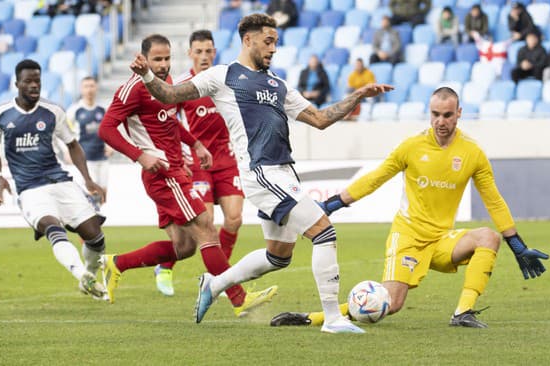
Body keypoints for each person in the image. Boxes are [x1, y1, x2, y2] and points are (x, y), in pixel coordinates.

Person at [129, 13, 393, 333]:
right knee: (324, 232)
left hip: (285, 173)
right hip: (261, 173)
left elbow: (320, 119)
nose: (273, 49)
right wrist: (146, 76)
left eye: (276, 43)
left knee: (278, 257)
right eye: (268, 42)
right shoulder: (223, 75)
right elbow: (170, 95)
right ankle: (333, 319)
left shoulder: (278, 84)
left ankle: (213, 285)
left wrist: (356, 96)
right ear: (248, 40)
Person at [270, 87, 549, 329]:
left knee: (488, 237)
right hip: (409, 238)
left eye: (447, 115)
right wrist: (332, 204)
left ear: (459, 113)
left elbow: (494, 199)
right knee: (390, 304)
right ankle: (312, 317)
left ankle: (462, 312)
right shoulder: (412, 146)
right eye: (435, 114)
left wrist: (517, 244)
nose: (440, 121)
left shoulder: (472, 153)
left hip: (442, 239)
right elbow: (376, 177)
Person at [98, 34, 277, 317]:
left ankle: (117, 263)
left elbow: (169, 123)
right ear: (143, 57)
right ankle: (239, 299)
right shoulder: (132, 88)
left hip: (176, 170)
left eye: (167, 59)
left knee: (184, 247)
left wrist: (194, 143)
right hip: (162, 173)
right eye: (157, 59)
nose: (163, 65)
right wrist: (140, 156)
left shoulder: (166, 84)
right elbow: (106, 129)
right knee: (206, 228)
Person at [0, 59, 108, 300]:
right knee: (53, 228)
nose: (34, 86)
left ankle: (90, 276)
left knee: (95, 236)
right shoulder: (0, 114)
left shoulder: (53, 112)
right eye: (28, 81)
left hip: (60, 181)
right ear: (17, 83)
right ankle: (83, 274)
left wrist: (88, 179)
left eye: (37, 81)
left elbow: (72, 144)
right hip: (30, 190)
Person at [152, 30, 246, 297]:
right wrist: (178, 154)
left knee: (235, 219)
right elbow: (168, 120)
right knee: (206, 227)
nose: (204, 56)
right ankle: (166, 265)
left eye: (208, 51)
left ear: (214, 52)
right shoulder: (182, 86)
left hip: (227, 160)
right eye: (199, 52)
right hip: (197, 164)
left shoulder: (225, 81)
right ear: (190, 54)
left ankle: (217, 275)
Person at [66, 76, 111, 208]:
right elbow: (64, 132)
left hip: (102, 158)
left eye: (92, 86)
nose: (89, 89)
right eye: (86, 86)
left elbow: (110, 130)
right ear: (81, 89)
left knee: (103, 195)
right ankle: (92, 223)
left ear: (96, 88)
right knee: (92, 192)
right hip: (86, 159)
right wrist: (68, 151)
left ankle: (96, 220)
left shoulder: (102, 110)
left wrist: (110, 146)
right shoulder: (75, 110)